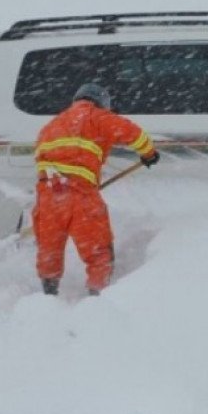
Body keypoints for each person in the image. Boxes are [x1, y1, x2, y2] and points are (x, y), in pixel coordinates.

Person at [33, 83, 160, 296]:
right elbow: (134, 133)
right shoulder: (96, 117)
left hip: (48, 197)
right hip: (81, 197)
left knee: (49, 250)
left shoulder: (50, 126)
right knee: (98, 252)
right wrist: (148, 153)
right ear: (101, 103)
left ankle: (48, 295)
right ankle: (98, 299)